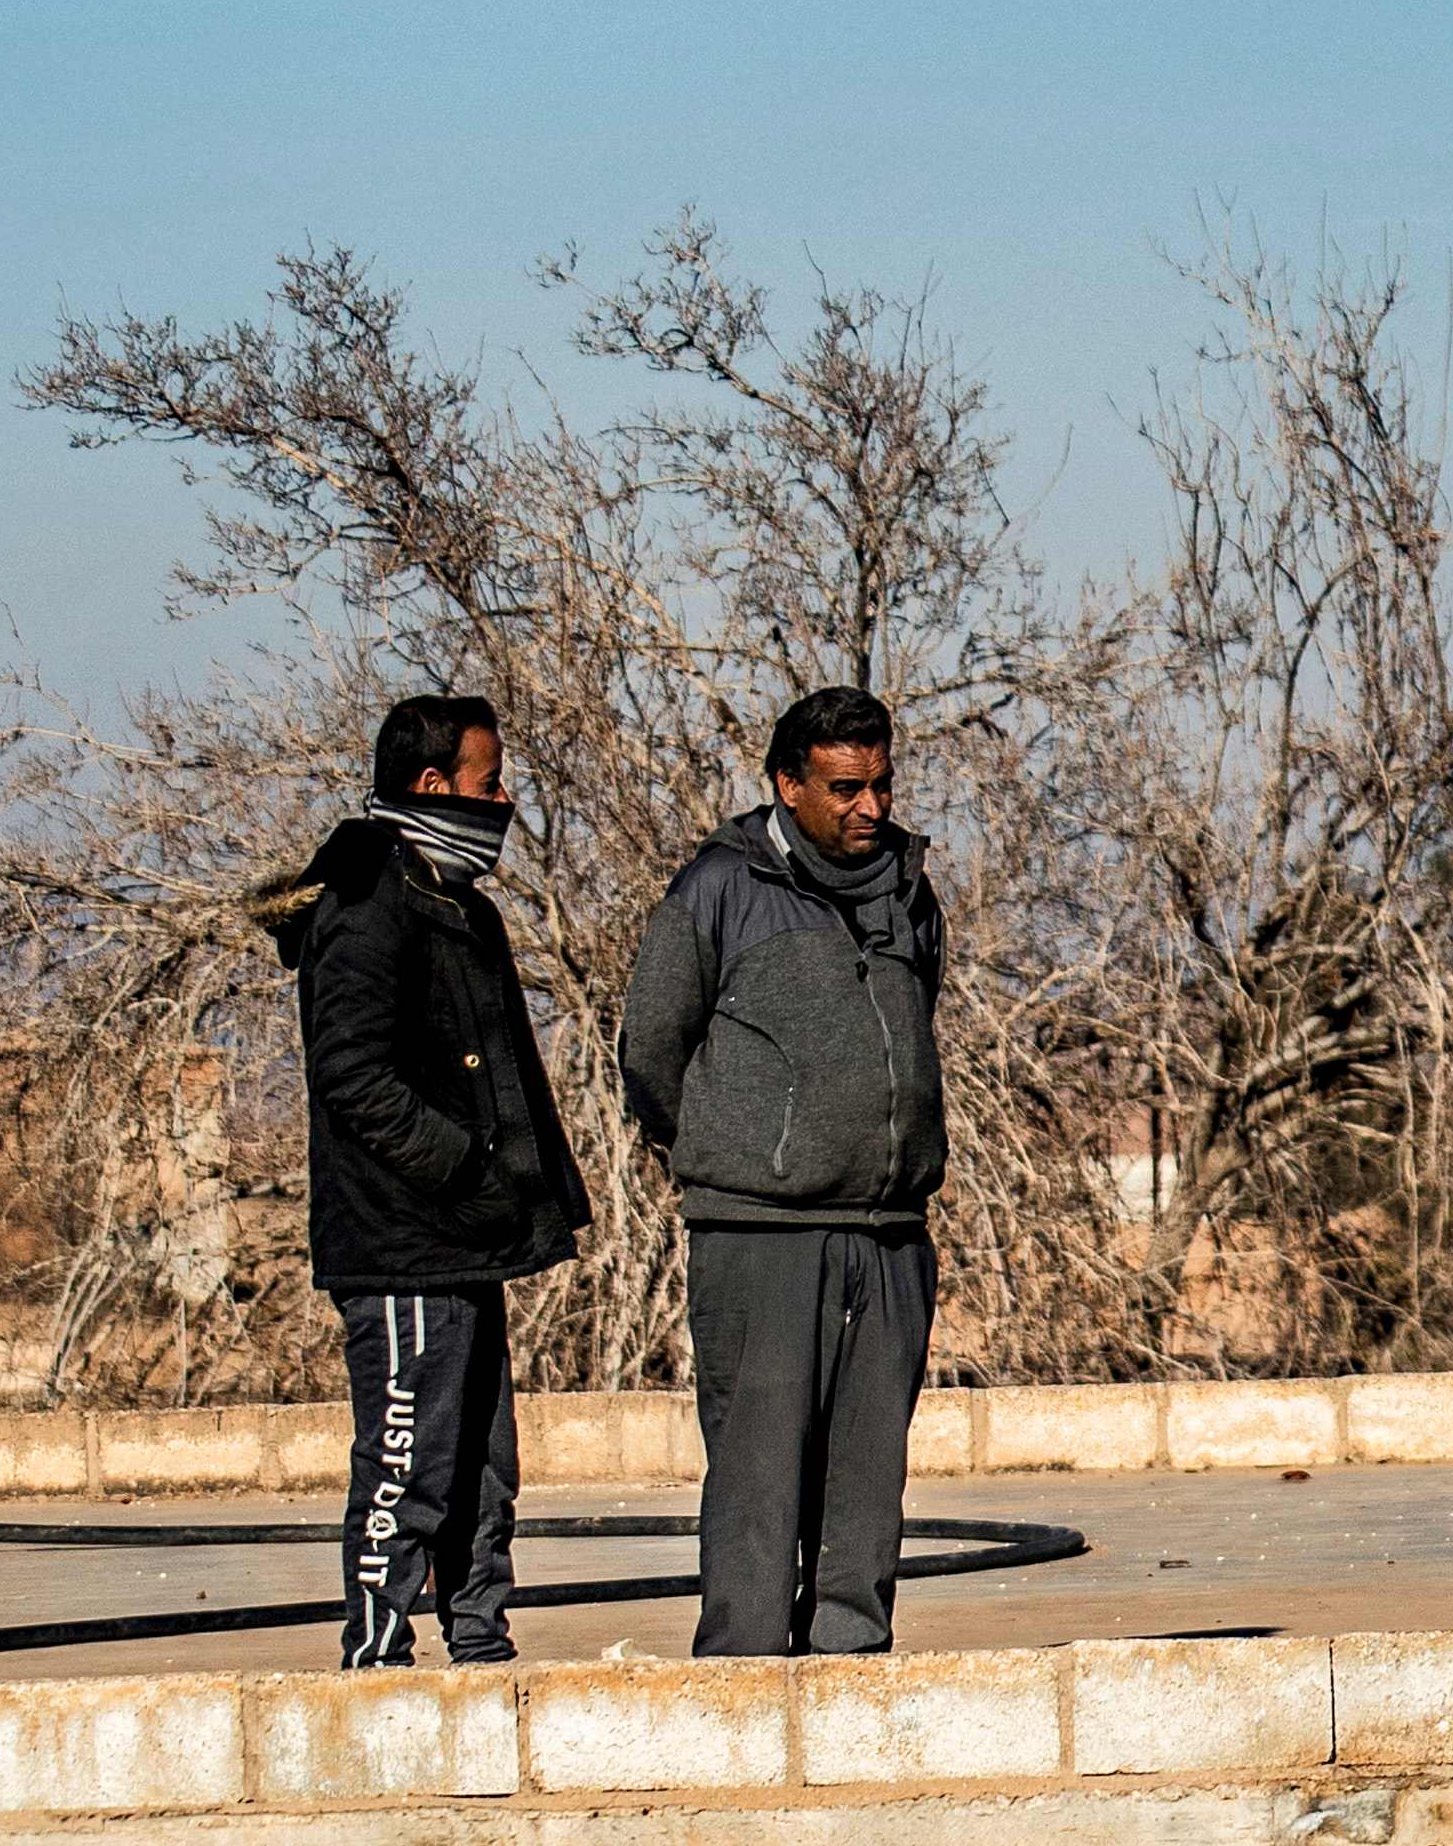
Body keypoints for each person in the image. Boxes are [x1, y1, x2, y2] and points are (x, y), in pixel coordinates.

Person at [257, 692, 592, 1670]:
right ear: (435, 786)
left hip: (468, 1242)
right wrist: (462, 1165)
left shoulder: (458, 907)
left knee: (485, 1469)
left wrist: (515, 1196)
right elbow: (352, 1076)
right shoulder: (366, 906)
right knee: (408, 1463)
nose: (504, 800)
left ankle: (479, 1638)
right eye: (490, 782)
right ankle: (378, 1652)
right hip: (405, 1245)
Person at [616, 685, 949, 1657]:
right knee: (760, 1482)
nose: (871, 808)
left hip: (889, 1235)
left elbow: (916, 1013)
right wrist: (741, 1153)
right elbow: (650, 1047)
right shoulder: (718, 887)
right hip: (760, 1235)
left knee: (866, 1478)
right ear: (787, 784)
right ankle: (744, 1684)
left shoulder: (907, 890)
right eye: (846, 787)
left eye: (881, 784)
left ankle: (850, 1668)